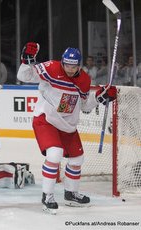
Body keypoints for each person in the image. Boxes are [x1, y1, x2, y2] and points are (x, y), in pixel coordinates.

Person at [17, 42, 117, 214]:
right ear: (62, 62)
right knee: (54, 153)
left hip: (67, 124)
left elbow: (85, 106)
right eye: (67, 65)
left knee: (77, 159)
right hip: (46, 118)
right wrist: (27, 60)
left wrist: (100, 97)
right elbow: (24, 76)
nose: (70, 69)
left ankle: (71, 194)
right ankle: (47, 196)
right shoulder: (51, 68)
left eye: (74, 66)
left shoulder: (85, 79)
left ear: (79, 65)